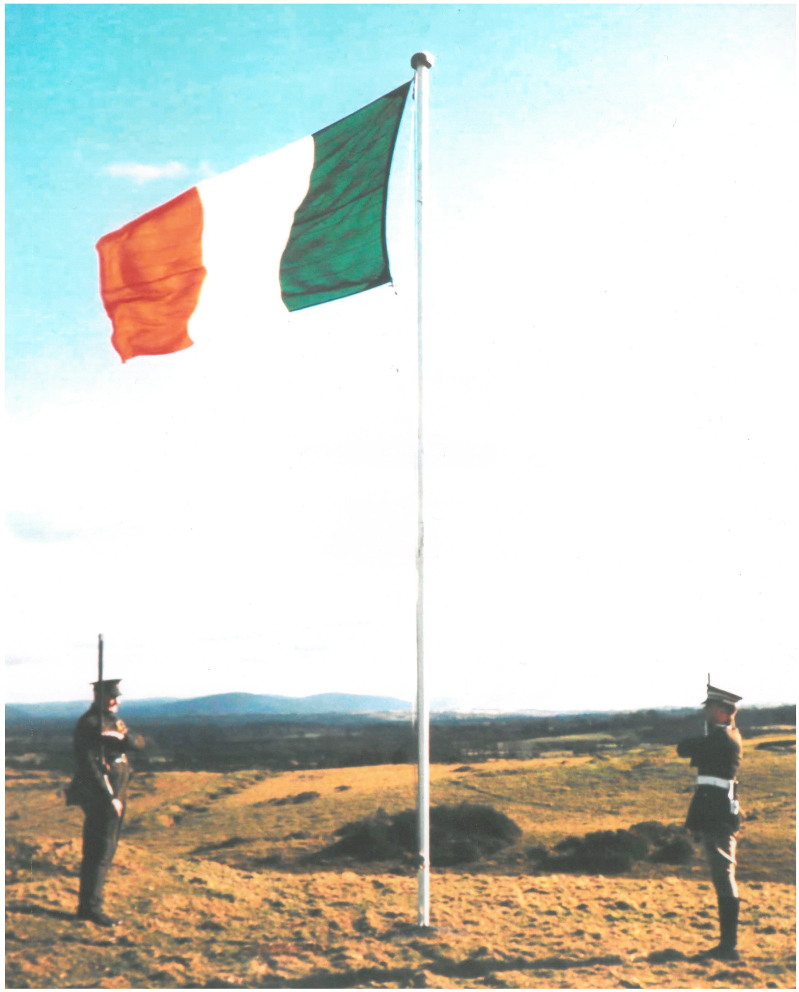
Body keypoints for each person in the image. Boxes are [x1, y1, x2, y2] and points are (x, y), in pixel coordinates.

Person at [67, 679, 145, 926]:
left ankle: (90, 905)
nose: (116, 701)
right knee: (98, 853)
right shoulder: (89, 723)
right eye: (111, 697)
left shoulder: (113, 721)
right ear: (98, 696)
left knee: (106, 851)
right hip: (103, 796)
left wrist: (119, 738)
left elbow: (138, 743)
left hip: (118, 793)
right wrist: (109, 797)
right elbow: (89, 765)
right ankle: (90, 908)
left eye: (117, 696)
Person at [676, 684, 743, 961]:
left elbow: (683, 749)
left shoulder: (723, 738)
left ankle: (728, 946)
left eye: (710, 708)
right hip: (713, 809)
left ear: (724, 713)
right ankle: (727, 944)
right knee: (721, 876)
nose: (705, 712)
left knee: (723, 876)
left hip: (717, 812)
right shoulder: (723, 737)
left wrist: (700, 742)